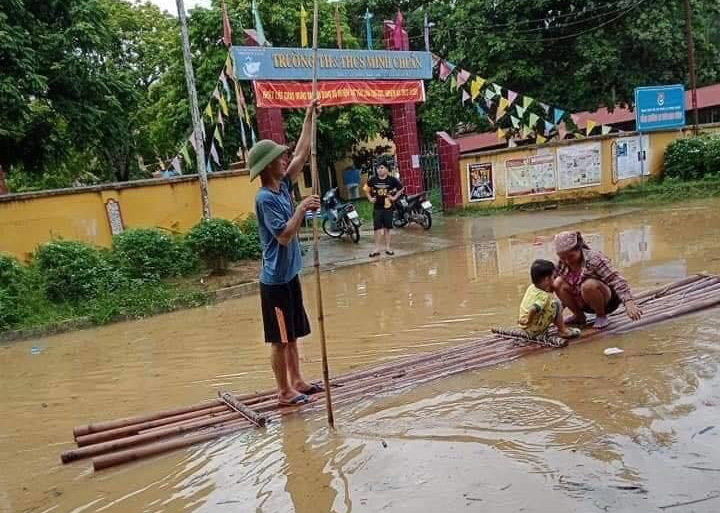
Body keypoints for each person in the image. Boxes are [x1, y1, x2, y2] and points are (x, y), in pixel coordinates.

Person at [250, 100, 321, 407]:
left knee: (292, 333)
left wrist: (308, 117)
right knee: (280, 339)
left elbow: (303, 154)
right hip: (275, 283)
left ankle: (297, 381)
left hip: (289, 276)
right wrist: (303, 208)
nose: (285, 160)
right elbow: (283, 236)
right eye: (280, 158)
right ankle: (283, 392)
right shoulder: (266, 198)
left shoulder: (283, 187)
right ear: (268, 165)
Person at [554, 231, 642, 330]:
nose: (567, 261)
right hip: (583, 302)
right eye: (563, 258)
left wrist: (628, 302)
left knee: (588, 285)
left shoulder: (594, 259)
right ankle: (579, 316)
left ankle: (601, 315)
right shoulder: (562, 263)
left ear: (580, 249)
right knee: (557, 283)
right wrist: (556, 311)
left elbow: (616, 279)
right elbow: (555, 289)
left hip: (606, 302)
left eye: (571, 256)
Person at [518, 259, 581, 339]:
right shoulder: (544, 296)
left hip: (526, 329)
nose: (554, 279)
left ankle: (554, 326)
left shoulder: (531, 288)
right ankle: (563, 330)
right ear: (547, 279)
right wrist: (528, 321)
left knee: (552, 305)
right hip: (534, 329)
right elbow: (533, 308)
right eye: (553, 277)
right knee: (556, 304)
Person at [365, 163, 404, 257]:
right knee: (377, 228)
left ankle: (388, 248)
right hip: (377, 208)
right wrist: (370, 198)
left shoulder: (392, 180)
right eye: (378, 168)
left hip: (388, 207)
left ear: (387, 169)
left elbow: (401, 188)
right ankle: (376, 249)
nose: (379, 170)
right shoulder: (373, 179)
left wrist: (394, 198)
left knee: (387, 228)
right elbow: (366, 189)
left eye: (382, 168)